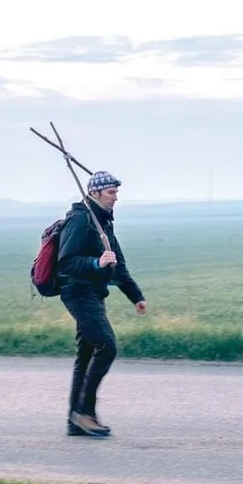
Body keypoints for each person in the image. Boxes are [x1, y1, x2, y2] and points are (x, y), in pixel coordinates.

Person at [56, 171, 147, 437]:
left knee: (86, 354)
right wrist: (96, 263)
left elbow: (118, 262)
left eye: (116, 193)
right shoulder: (80, 220)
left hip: (94, 293)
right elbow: (66, 262)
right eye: (111, 193)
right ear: (95, 193)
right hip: (78, 292)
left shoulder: (103, 222)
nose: (116, 198)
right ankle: (84, 412)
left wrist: (136, 296)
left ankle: (76, 421)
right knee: (106, 346)